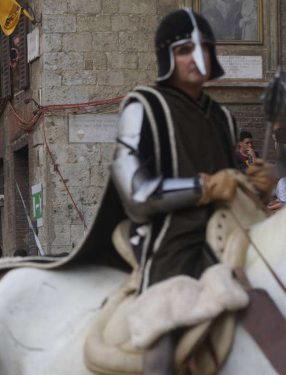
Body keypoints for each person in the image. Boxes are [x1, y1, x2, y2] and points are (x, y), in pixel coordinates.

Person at [110, 8, 274, 373]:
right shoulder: (142, 107)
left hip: (228, 232)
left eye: (203, 48)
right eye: (185, 49)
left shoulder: (223, 118)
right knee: (162, 333)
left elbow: (232, 185)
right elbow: (135, 193)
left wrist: (257, 186)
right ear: (168, 56)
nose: (196, 58)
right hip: (168, 237)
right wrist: (202, 186)